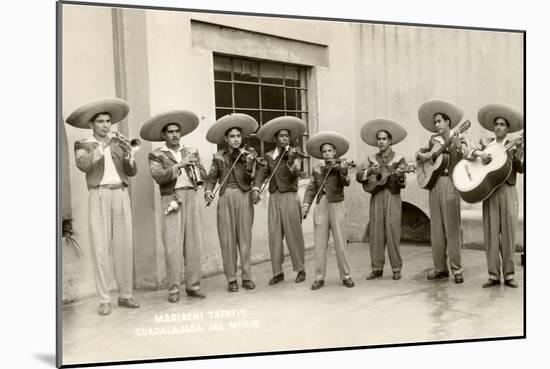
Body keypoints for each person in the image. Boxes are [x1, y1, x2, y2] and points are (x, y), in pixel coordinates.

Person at [66, 97, 139, 315]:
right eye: (100, 121)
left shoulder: (118, 143)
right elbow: (84, 164)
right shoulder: (83, 145)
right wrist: (105, 144)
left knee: (125, 246)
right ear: (91, 125)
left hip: (121, 193)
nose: (106, 125)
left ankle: (125, 295)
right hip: (99, 195)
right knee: (100, 247)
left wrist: (130, 155)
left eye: (108, 121)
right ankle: (105, 299)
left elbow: (131, 172)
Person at [140, 110, 207, 303]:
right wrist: (179, 166)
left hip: (192, 195)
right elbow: (159, 176)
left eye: (177, 131)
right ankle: (174, 290)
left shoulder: (191, 150)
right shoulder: (156, 154)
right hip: (171, 198)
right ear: (163, 135)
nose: (175, 134)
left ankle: (193, 286)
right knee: (173, 246)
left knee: (194, 243)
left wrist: (196, 167)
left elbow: (202, 174)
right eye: (170, 132)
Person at [469, 102, 524, 288]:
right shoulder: (486, 144)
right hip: (489, 191)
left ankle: (509, 275)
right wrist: (479, 154)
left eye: (502, 124)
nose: (499, 127)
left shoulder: (514, 145)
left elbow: (521, 168)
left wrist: (520, 151)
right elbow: (468, 154)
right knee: (491, 233)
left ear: (508, 128)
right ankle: (493, 274)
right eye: (497, 124)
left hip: (508, 190)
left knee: (508, 232)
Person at [416, 99, 470, 284]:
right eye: (435, 122)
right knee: (436, 229)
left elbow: (465, 159)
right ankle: (440, 268)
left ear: (448, 122)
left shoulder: (459, 137)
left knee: (452, 229)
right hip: (434, 185)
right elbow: (420, 156)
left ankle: (457, 269)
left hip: (450, 183)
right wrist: (424, 155)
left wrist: (456, 146)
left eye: (440, 121)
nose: (437, 124)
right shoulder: (432, 140)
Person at [204, 113, 260, 292]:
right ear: (226, 140)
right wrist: (207, 190)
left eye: (238, 136)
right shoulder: (219, 156)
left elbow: (251, 177)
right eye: (232, 137)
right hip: (226, 196)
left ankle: (246, 277)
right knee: (227, 240)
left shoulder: (250, 153)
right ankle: (231, 278)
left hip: (244, 195)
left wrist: (249, 164)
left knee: (245, 238)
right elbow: (212, 178)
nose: (236, 140)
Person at [251, 116, 307, 285]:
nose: (284, 138)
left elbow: (295, 174)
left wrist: (292, 160)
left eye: (287, 136)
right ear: (275, 139)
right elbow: (262, 173)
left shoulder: (295, 154)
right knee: (274, 236)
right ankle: (277, 272)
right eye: (281, 136)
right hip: (274, 197)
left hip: (290, 197)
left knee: (294, 235)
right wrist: (255, 187)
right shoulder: (268, 156)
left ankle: (300, 269)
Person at [356, 119, 408, 281]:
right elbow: (359, 176)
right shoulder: (371, 159)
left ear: (390, 141)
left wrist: (400, 176)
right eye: (379, 138)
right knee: (376, 233)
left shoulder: (399, 159)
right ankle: (377, 268)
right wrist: (370, 171)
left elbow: (403, 182)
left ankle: (396, 268)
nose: (381, 141)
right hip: (376, 197)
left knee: (392, 232)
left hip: (392, 197)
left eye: (384, 138)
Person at [302, 131, 354, 290]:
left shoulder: (340, 165)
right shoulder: (317, 168)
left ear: (335, 152)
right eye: (324, 152)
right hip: (321, 204)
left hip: (337, 204)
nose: (327, 154)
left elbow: (346, 182)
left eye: (329, 151)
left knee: (340, 242)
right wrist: (306, 205)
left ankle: (346, 276)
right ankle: (319, 277)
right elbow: (311, 189)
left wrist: (344, 170)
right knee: (319, 244)